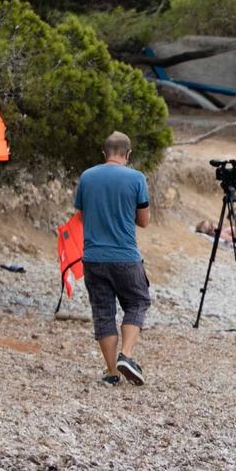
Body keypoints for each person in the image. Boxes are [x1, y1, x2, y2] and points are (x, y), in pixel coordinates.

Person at [71, 132, 151, 385]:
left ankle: (111, 373)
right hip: (125, 256)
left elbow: (81, 216)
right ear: (128, 154)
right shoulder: (136, 178)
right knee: (137, 301)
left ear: (104, 153)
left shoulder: (87, 177)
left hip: (93, 257)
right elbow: (144, 221)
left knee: (103, 313)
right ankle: (126, 356)